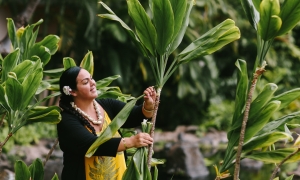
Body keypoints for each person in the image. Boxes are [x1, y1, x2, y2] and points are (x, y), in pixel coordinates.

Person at [57, 66, 156, 180]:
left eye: (91, 78)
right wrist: (130, 141)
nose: (93, 83)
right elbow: (92, 145)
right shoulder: (66, 121)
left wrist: (148, 106)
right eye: (85, 82)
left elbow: (135, 116)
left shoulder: (107, 105)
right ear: (72, 91)